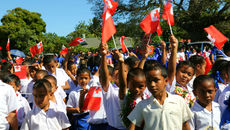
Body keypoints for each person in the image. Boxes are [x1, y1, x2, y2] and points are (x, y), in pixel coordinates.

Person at [128, 41, 193, 129]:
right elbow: (132, 126)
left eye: (156, 80)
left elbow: (185, 125)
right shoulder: (142, 105)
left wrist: (174, 48)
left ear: (166, 81)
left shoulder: (178, 101)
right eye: (148, 81)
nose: (152, 84)